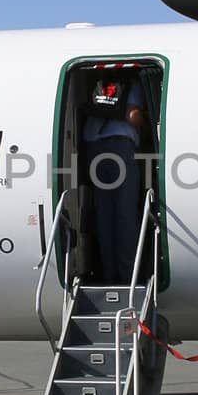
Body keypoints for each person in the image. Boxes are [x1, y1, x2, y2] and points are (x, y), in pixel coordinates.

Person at [80, 72, 147, 286]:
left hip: (93, 148)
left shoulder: (97, 84)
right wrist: (148, 126)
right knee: (125, 212)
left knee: (104, 212)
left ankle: (108, 272)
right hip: (119, 146)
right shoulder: (132, 82)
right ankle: (128, 274)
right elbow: (132, 115)